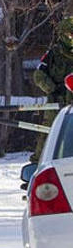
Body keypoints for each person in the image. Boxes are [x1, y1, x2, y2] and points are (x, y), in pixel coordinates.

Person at [32, 16, 73, 162]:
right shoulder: (52, 54)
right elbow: (38, 74)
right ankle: (36, 168)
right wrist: (51, 89)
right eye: (69, 34)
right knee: (48, 134)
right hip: (56, 102)